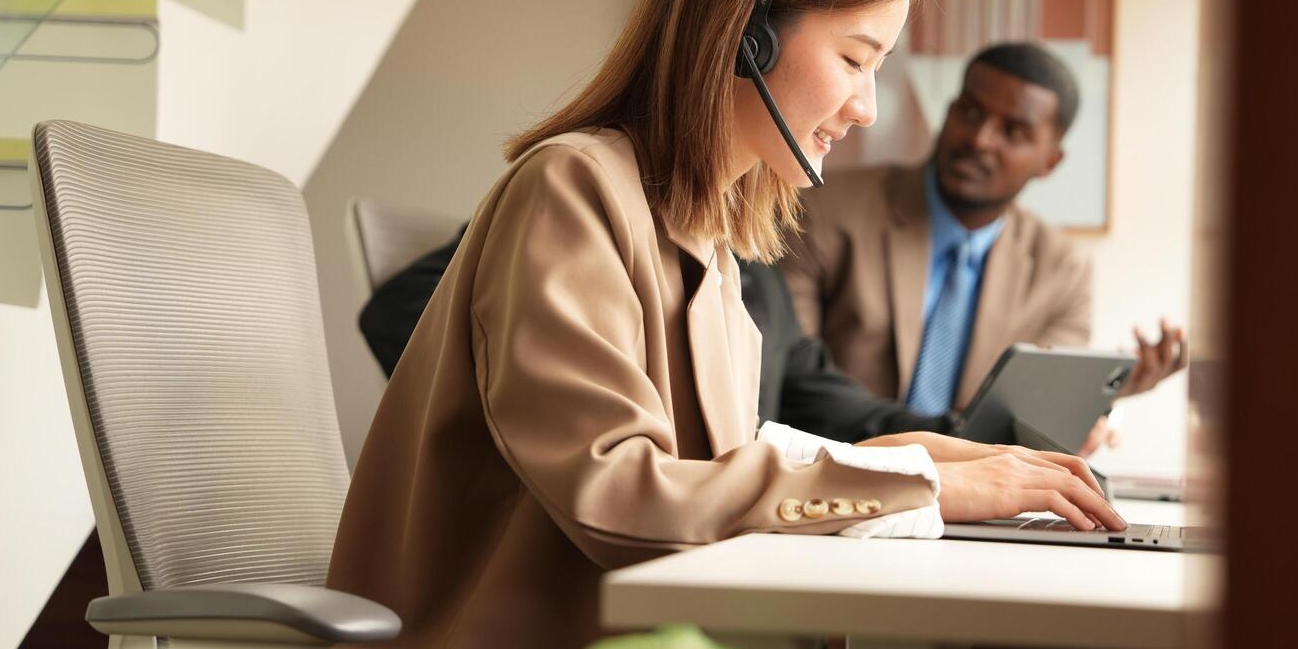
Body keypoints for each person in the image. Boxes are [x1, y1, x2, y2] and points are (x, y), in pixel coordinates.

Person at [327, 0, 1122, 649]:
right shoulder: (573, 185)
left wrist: (908, 459)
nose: (867, 108)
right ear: (750, 31)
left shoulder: (715, 235)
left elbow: (713, 469)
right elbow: (619, 490)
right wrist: (921, 487)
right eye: (854, 59)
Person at [780, 42, 1187, 451]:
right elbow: (790, 381)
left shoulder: (1061, 268)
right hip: (833, 474)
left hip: (976, 496)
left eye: (1013, 131)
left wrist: (1098, 395)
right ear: (950, 110)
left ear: (1050, 161)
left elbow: (1033, 413)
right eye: (971, 113)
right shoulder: (820, 212)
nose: (980, 139)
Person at [360, 228, 947, 441]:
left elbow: (830, 402)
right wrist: (558, 389)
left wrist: (968, 437)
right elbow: (398, 310)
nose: (862, 107)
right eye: (852, 61)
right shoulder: (578, 198)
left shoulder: (753, 271)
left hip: (720, 552)